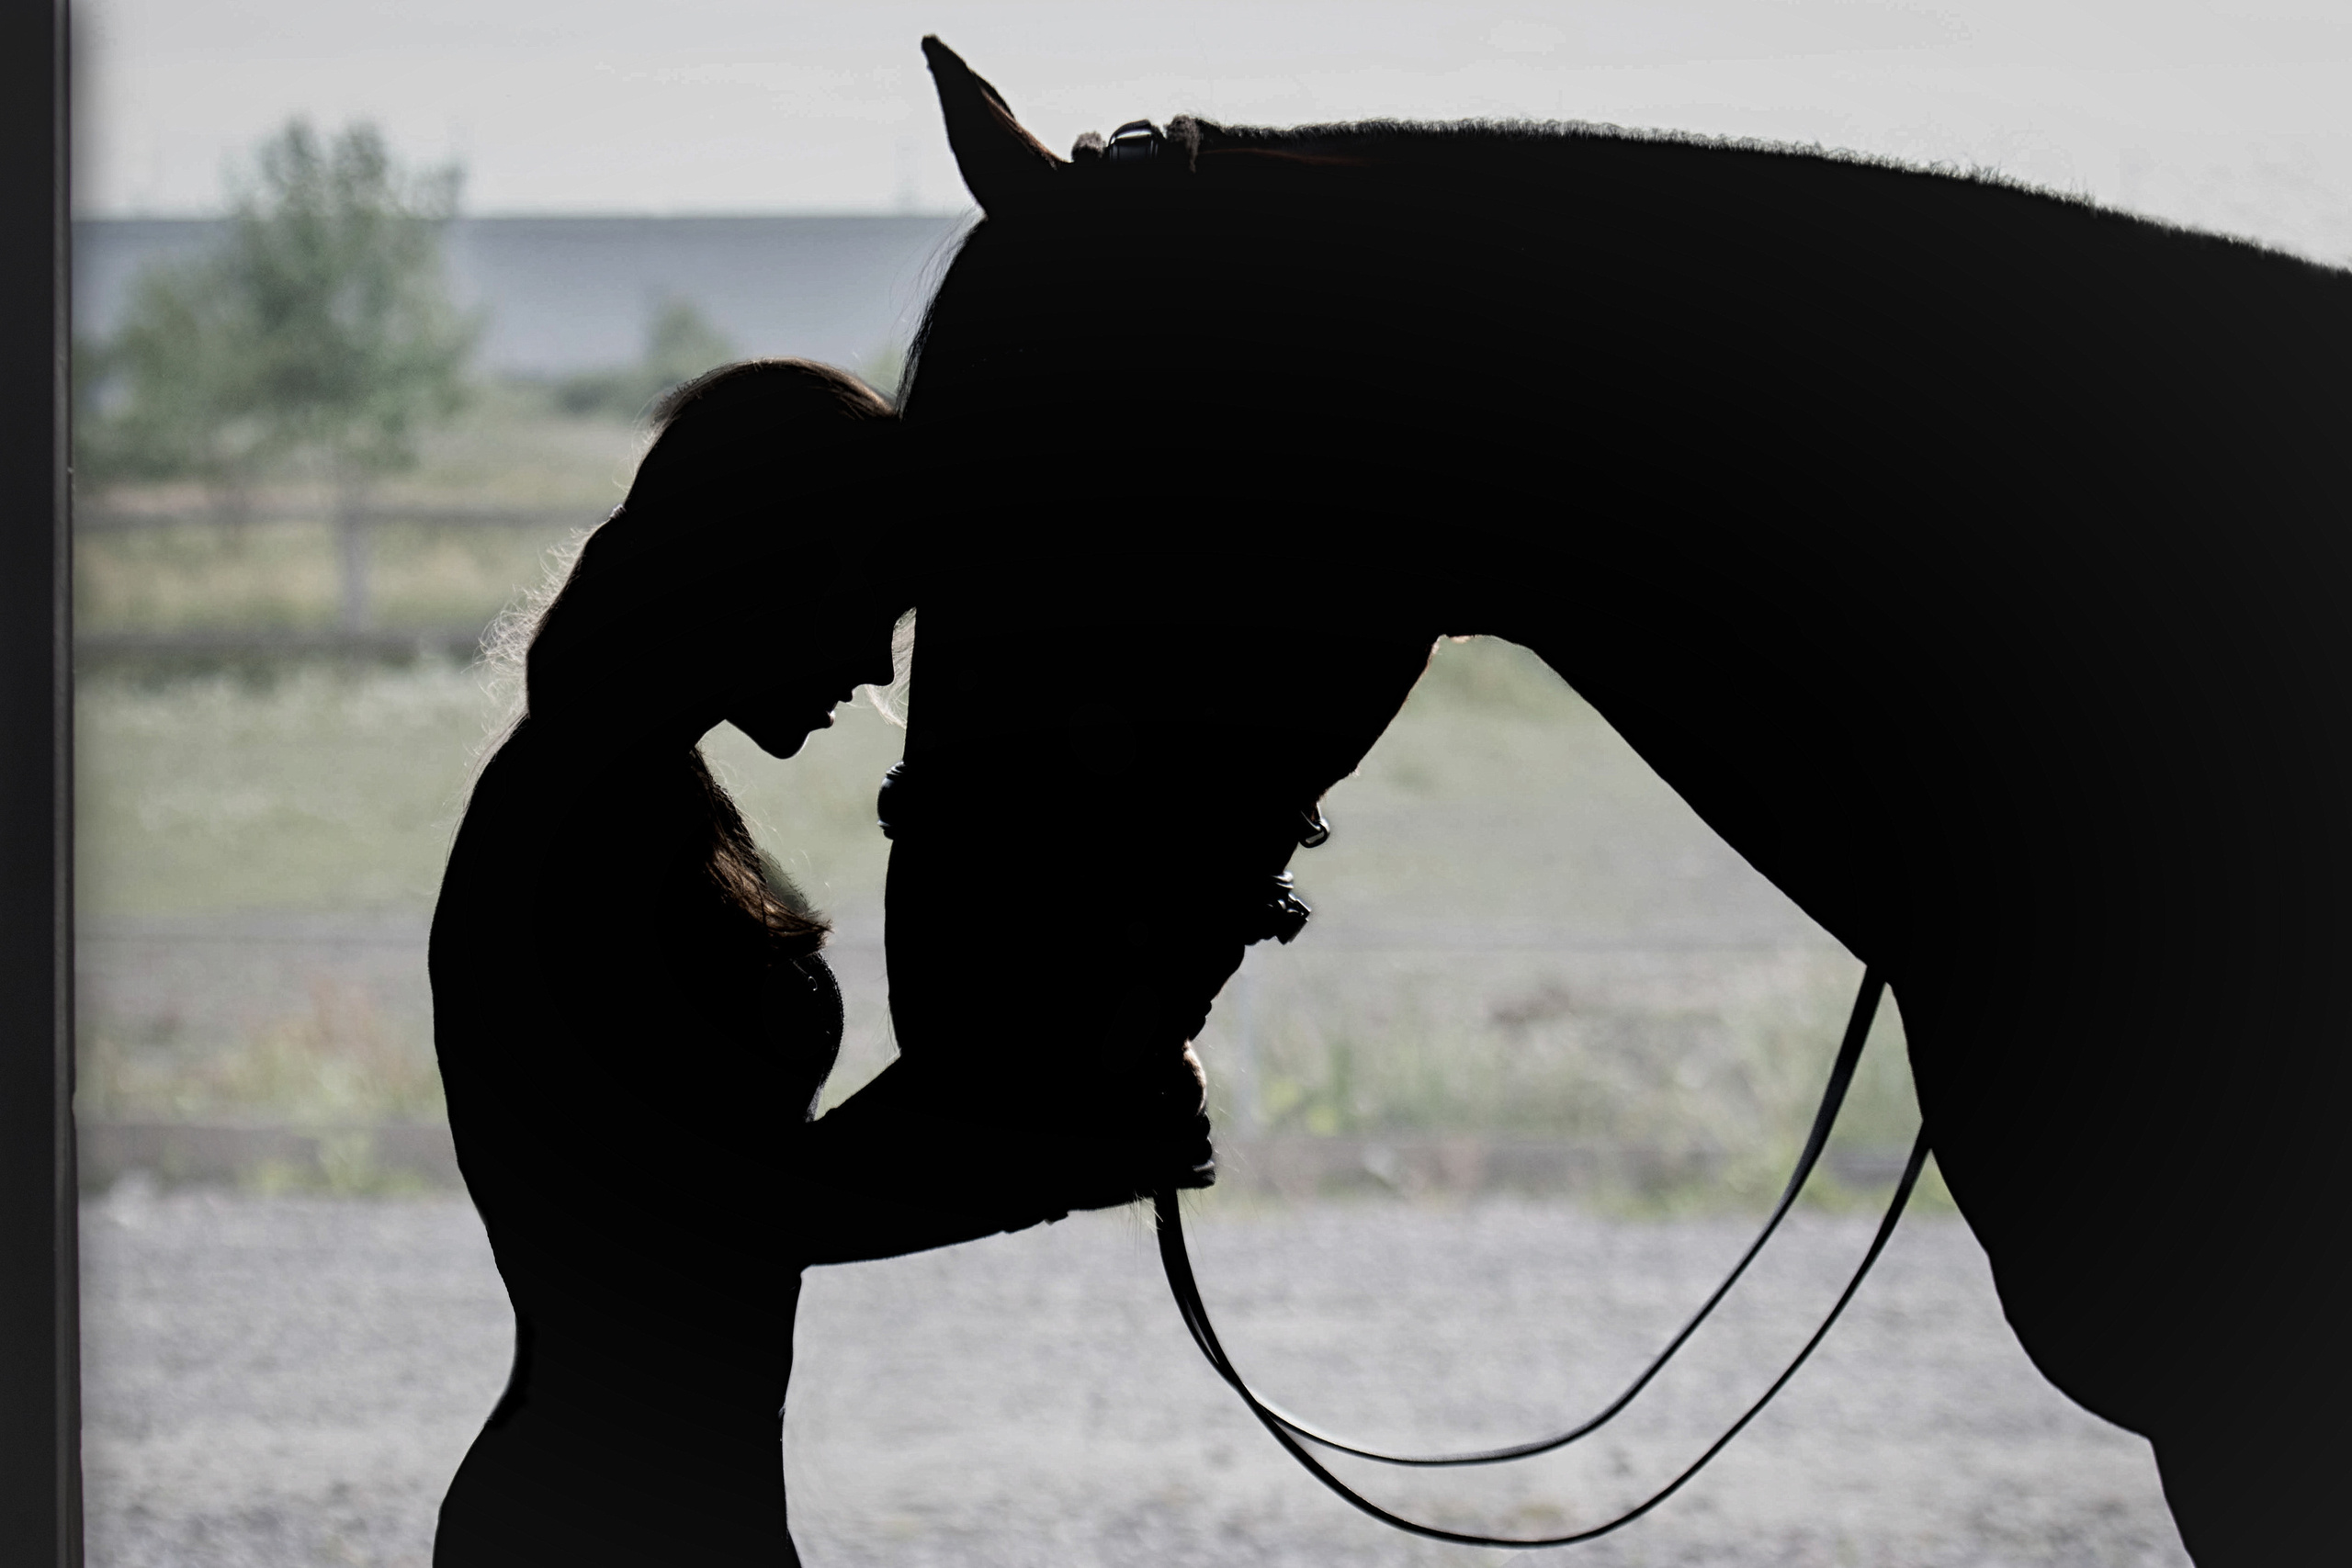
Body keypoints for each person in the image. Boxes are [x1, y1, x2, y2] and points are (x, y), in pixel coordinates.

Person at [426, 358, 1206, 1566]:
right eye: (874, 605)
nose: (881, 668)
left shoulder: (637, 792)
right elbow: (720, 1214)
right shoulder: (576, 820)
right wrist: (1058, 1159)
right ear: (772, 572)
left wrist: (1053, 1096)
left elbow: (738, 1174)